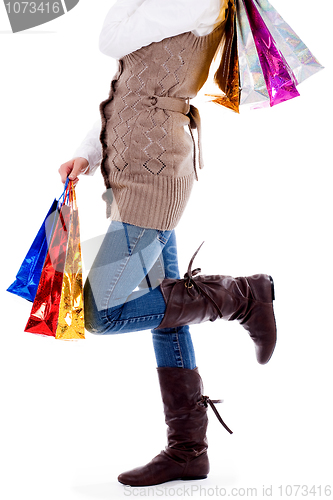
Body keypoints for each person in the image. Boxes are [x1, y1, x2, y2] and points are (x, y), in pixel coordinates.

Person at [58, 0, 276, 487]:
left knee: (102, 312)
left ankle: (242, 296)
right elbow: (130, 90)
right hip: (134, 169)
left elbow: (109, 38)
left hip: (154, 173)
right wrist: (86, 154)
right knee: (168, 310)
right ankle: (188, 452)